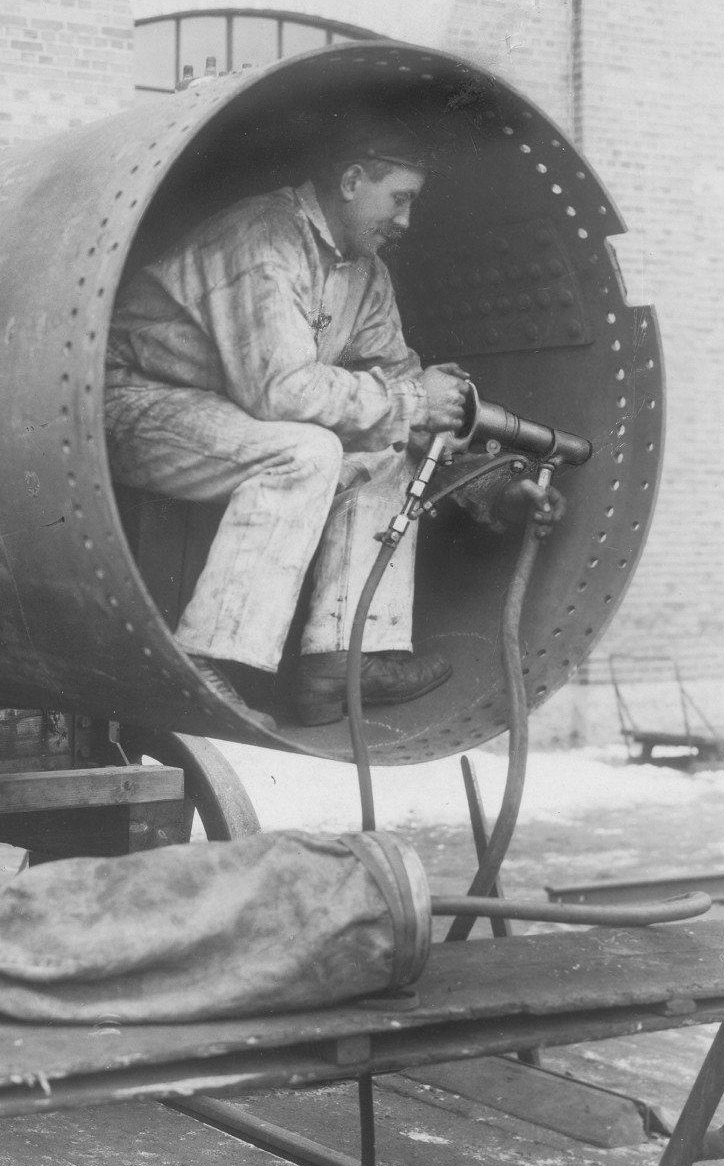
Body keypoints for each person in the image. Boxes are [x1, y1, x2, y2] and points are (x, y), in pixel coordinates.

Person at [103, 113, 561, 728]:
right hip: (134, 404)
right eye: (399, 199)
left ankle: (344, 661)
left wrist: (492, 486)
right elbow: (282, 392)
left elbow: (403, 404)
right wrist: (410, 402)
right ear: (351, 181)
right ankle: (208, 661)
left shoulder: (364, 274)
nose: (406, 221)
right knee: (307, 451)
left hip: (231, 415)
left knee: (379, 443)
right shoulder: (262, 237)